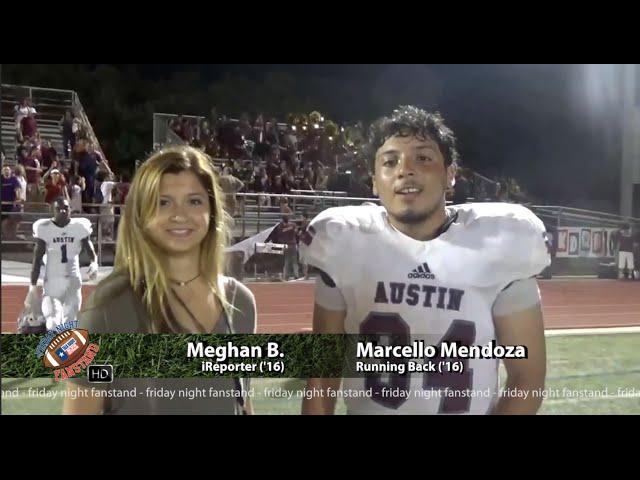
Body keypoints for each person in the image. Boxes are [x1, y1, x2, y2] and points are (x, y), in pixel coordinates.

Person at [300, 106, 550, 415]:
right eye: (389, 162)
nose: (405, 169)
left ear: (450, 175)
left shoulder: (501, 240)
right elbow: (322, 377)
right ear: (375, 182)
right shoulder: (341, 241)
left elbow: (527, 378)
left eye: (423, 157)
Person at [62, 146, 256, 415]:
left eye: (194, 201)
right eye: (163, 202)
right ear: (141, 216)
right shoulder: (109, 308)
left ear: (212, 212)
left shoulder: (241, 303)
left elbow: (243, 403)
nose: (180, 214)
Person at [24, 197, 98, 331]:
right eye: (59, 209)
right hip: (52, 283)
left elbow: (88, 245)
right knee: (53, 323)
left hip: (73, 281)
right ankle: (52, 349)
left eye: (66, 208)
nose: (63, 211)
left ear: (70, 209)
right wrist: (32, 286)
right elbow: (37, 258)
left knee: (70, 323)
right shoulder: (44, 228)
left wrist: (94, 262)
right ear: (53, 210)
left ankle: (67, 351)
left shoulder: (79, 226)